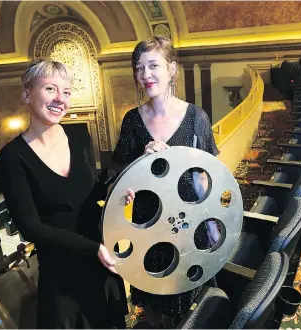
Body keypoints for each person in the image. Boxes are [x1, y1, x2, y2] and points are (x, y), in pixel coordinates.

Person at [0, 59, 129, 328]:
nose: (60, 99)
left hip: (102, 265)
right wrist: (94, 250)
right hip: (61, 273)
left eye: (66, 92)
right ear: (26, 94)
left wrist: (118, 187)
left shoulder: (80, 135)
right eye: (50, 89)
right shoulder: (12, 157)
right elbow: (30, 227)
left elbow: (93, 190)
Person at [112, 36, 221, 328]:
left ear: (172, 68)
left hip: (187, 222)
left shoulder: (197, 117)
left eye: (153, 65)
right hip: (148, 223)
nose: (145, 75)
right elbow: (119, 173)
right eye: (139, 68)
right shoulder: (132, 120)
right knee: (153, 298)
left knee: (187, 295)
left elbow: (210, 172)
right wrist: (141, 160)